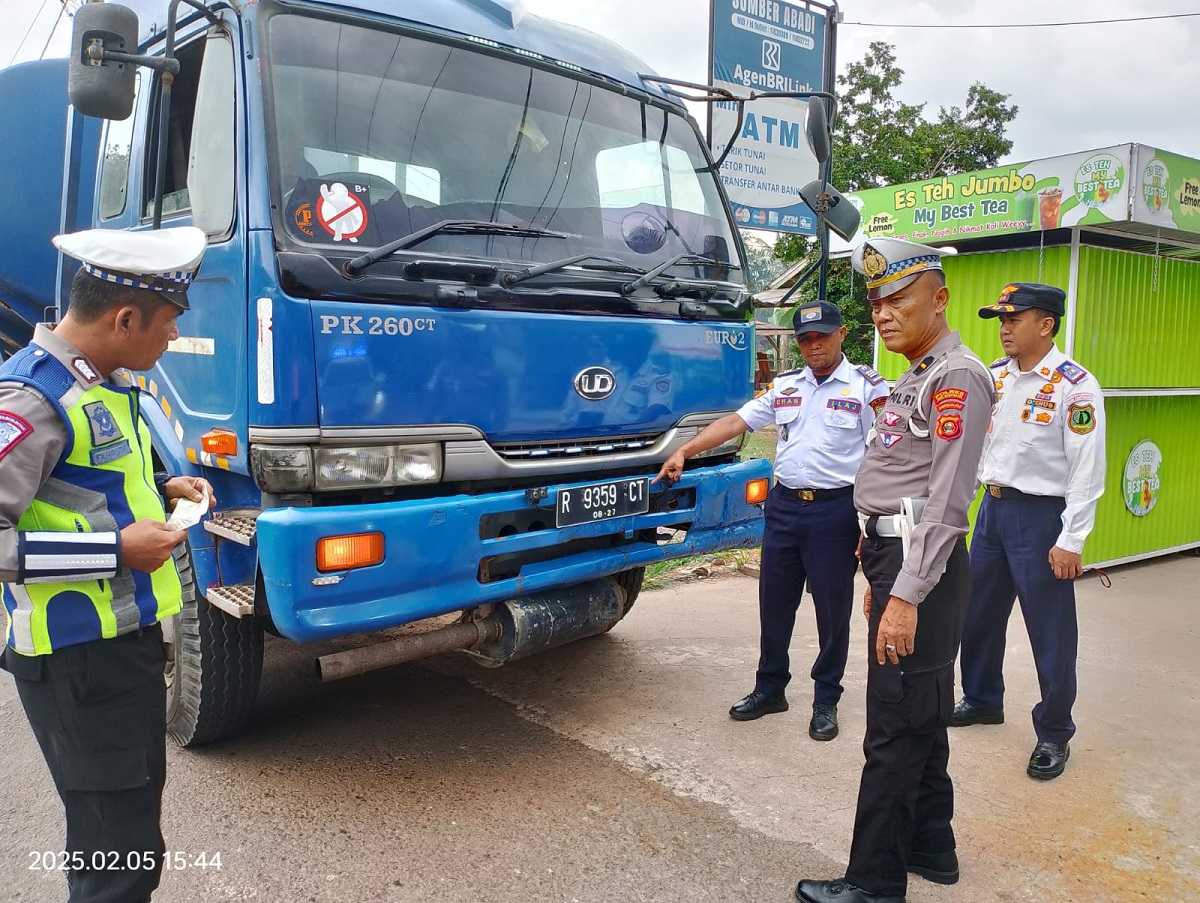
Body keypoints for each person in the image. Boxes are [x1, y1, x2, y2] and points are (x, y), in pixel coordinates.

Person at [0, 226, 214, 903]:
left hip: (116, 651)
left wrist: (161, 485)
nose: (173, 339)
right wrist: (115, 549)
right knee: (113, 865)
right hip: (76, 661)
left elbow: (85, 481)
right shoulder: (31, 397)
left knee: (130, 838)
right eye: (171, 322)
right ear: (127, 318)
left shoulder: (96, 381)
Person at [795, 238, 994, 903]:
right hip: (896, 555)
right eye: (877, 300)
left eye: (898, 298)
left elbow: (947, 497)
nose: (882, 313)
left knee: (892, 727)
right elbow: (897, 476)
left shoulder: (956, 376)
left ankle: (873, 882)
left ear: (939, 300)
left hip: (921, 564)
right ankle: (932, 848)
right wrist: (875, 562)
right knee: (923, 714)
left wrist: (904, 595)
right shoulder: (917, 373)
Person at [655, 300, 888, 740]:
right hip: (783, 507)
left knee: (831, 610)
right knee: (774, 603)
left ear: (841, 335)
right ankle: (770, 688)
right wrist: (685, 450)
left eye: (822, 336)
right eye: (805, 339)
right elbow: (736, 421)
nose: (814, 346)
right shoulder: (786, 386)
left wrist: (868, 519)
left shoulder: (866, 388)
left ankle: (826, 698)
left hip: (836, 511)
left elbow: (883, 456)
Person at [952, 282, 1106, 781]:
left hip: (1042, 520)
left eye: (1014, 319)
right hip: (993, 515)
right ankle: (980, 698)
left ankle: (1055, 732)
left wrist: (1072, 539)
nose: (1004, 329)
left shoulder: (1074, 386)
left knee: (1051, 630)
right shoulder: (994, 378)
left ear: (1046, 324)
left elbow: (1087, 469)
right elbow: (979, 451)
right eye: (1001, 320)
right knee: (976, 614)